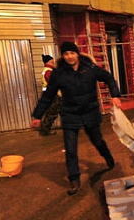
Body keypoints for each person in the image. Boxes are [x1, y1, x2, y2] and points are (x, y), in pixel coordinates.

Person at [30, 41, 122, 195]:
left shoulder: (90, 68)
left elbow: (109, 78)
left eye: (72, 53)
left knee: (98, 141)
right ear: (63, 56)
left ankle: (108, 157)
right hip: (70, 114)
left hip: (90, 112)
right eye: (66, 54)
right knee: (71, 149)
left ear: (77, 53)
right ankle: (74, 180)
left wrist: (115, 96)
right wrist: (38, 116)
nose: (69, 56)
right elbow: (48, 96)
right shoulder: (58, 74)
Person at [38, 54, 61, 136]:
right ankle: (45, 130)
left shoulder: (47, 70)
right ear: (50, 61)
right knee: (52, 113)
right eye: (52, 61)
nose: (54, 62)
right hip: (54, 96)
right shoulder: (49, 71)